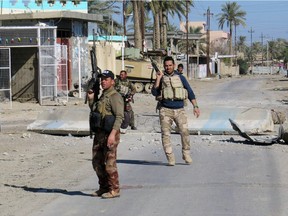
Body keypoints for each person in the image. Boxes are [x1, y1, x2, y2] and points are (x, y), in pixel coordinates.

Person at [151, 56, 200, 166]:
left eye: (170, 65)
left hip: (179, 109)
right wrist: (158, 78)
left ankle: (186, 153)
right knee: (165, 134)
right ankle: (170, 157)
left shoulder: (181, 78)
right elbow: (154, 92)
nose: (168, 67)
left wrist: (195, 106)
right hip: (165, 109)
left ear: (174, 65)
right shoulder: (161, 77)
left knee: (185, 132)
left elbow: (190, 92)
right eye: (166, 66)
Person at [87, 70, 124, 199]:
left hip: (110, 133)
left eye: (106, 79)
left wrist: (113, 135)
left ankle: (114, 189)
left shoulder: (115, 97)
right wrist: (91, 99)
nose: (103, 81)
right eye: (102, 79)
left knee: (110, 164)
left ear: (112, 81)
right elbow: (95, 112)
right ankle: (103, 187)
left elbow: (119, 117)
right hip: (100, 133)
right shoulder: (103, 96)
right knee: (96, 162)